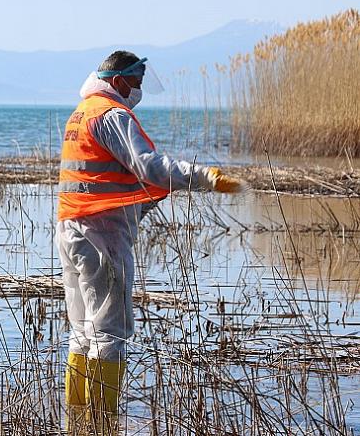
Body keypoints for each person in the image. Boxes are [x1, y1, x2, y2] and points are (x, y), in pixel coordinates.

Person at [57, 51, 243, 432]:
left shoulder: (82, 112)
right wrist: (205, 176)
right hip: (102, 234)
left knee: (82, 331)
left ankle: (76, 422)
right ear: (120, 80)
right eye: (137, 82)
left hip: (72, 230)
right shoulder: (112, 114)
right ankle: (104, 423)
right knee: (109, 333)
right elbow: (148, 166)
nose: (139, 90)